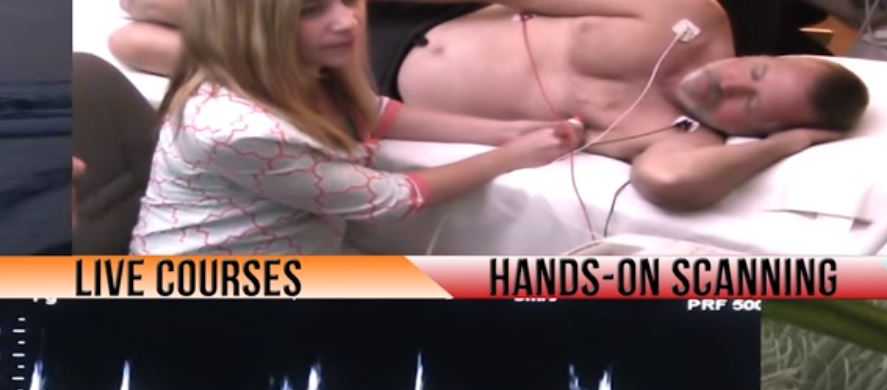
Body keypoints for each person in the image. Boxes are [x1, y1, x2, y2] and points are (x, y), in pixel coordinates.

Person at [112, 0, 869, 213]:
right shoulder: (690, 15)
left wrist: (788, 143)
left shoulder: (680, 138)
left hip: (362, 81)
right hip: (418, 17)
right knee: (143, 4)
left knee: (132, 44)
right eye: (755, 70)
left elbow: (667, 184)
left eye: (749, 106)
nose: (727, 85)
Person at [123, 0, 583, 254]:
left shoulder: (313, 65)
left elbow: (372, 113)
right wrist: (510, 158)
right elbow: (392, 198)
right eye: (312, 10)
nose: (347, 21)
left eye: (348, 0)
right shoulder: (235, 130)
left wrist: (503, 132)